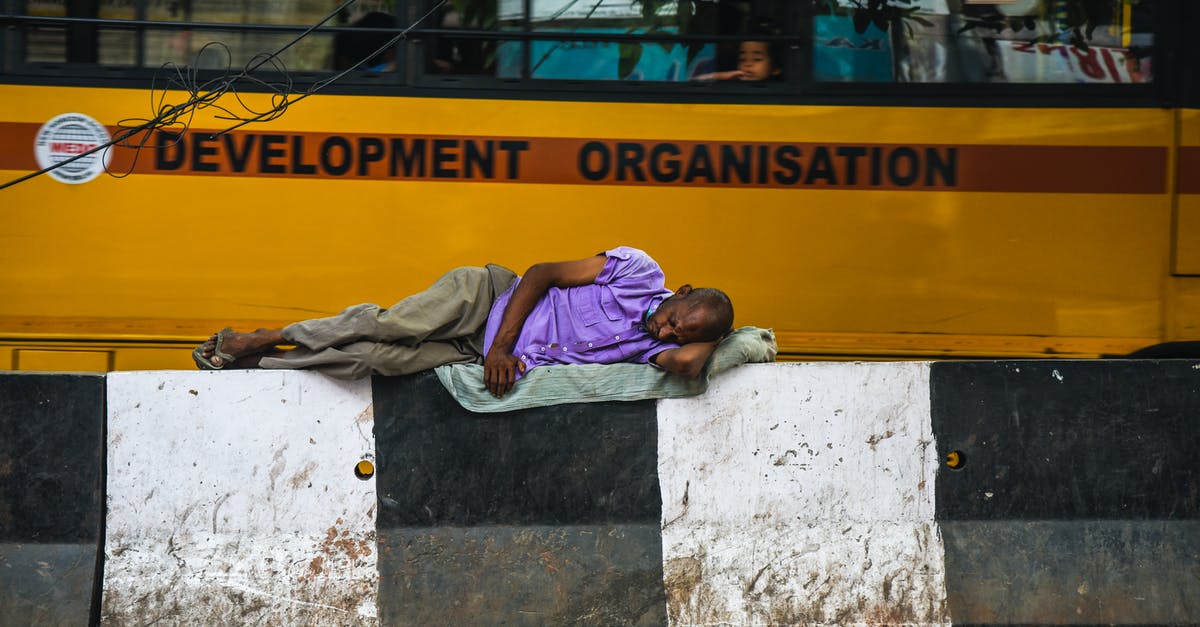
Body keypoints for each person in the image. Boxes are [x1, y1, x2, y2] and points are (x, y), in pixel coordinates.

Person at [193, 246, 734, 398]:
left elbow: (687, 367)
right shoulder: (639, 271)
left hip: (476, 354)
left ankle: (259, 360)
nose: (665, 332)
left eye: (678, 334)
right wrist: (502, 349)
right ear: (678, 291)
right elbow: (541, 273)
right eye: (674, 318)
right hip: (487, 300)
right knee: (392, 327)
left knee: (371, 361)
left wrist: (714, 336)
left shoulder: (653, 348)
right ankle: (270, 335)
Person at [695, 37, 782, 81]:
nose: (748, 64)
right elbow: (694, 82)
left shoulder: (778, 91)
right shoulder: (734, 84)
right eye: (742, 59)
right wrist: (720, 76)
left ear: (775, 68)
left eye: (757, 59)